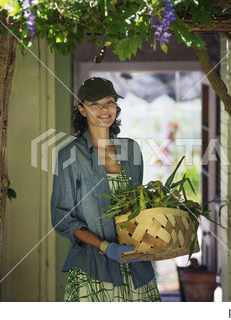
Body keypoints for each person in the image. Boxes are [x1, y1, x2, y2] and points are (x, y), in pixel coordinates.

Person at [51, 77, 161, 302]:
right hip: (93, 269)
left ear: (116, 108)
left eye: (109, 102)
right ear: (82, 110)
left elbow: (137, 206)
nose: (104, 109)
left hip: (135, 266)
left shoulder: (131, 150)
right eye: (95, 104)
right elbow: (63, 218)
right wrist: (106, 246)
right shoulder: (69, 156)